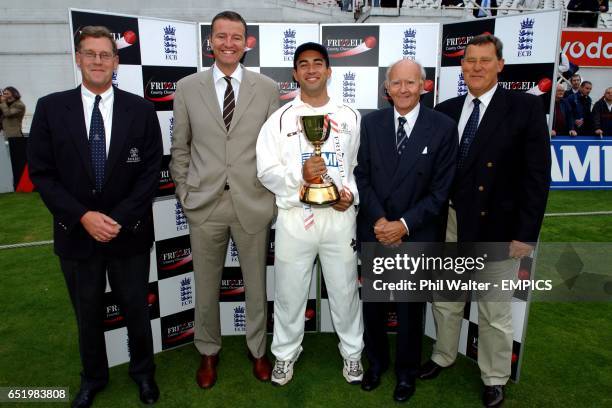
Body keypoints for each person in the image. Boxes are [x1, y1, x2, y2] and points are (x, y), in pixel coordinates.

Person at [27, 26, 163, 408]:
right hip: (76, 233)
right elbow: (42, 173)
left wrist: (115, 218)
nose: (98, 61)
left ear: (116, 62)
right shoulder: (51, 108)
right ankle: (93, 378)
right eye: (90, 54)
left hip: (129, 232)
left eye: (105, 55)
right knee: (86, 313)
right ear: (78, 58)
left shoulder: (141, 109)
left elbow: (151, 172)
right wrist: (84, 216)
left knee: (136, 308)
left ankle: (143, 374)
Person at [418, 34, 551, 408]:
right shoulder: (445, 109)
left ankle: (494, 377)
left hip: (498, 229)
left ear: (500, 65)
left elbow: (537, 177)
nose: (476, 67)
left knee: (494, 311)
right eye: (470, 60)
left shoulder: (524, 108)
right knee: (446, 301)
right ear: (461, 65)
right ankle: (443, 356)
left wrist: (526, 234)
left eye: (484, 60)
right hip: (450, 224)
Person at [169, 10, 279, 389]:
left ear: (246, 43)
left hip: (253, 202)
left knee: (257, 286)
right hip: (205, 205)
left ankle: (258, 350)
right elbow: (179, 147)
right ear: (210, 41)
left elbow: (274, 148)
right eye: (221, 36)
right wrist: (185, 193)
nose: (228, 43)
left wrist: (270, 197)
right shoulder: (186, 87)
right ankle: (208, 351)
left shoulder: (266, 88)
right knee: (205, 286)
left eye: (236, 36)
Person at [256, 42, 364, 387]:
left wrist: (352, 196)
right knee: (289, 293)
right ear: (295, 73)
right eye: (304, 64)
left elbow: (359, 168)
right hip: (294, 218)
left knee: (346, 291)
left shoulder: (350, 115)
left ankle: (353, 354)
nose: (312, 69)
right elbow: (265, 171)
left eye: (318, 63)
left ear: (329, 70)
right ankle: (285, 356)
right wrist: (299, 177)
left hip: (338, 218)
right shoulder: (280, 119)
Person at [355, 59, 458, 403]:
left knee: (410, 311)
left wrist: (402, 225)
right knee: (374, 305)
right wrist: (381, 221)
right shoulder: (370, 124)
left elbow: (441, 191)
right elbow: (362, 176)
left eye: (410, 83)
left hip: (416, 232)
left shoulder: (443, 127)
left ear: (423, 86)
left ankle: (406, 372)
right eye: (396, 83)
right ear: (386, 88)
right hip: (376, 228)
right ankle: (376, 363)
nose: (403, 89)